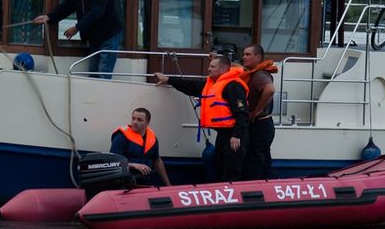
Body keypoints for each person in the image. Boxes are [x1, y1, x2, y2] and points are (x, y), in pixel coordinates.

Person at [154, 54, 249, 182]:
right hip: (223, 135)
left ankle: (233, 192)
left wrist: (237, 135)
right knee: (220, 168)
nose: (208, 69)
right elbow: (190, 86)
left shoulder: (234, 86)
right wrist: (168, 80)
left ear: (223, 69)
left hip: (235, 135)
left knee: (232, 171)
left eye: (212, 66)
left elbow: (242, 113)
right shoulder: (212, 85)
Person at [33, 0, 123, 78]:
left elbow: (97, 11)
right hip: (94, 37)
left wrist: (77, 27)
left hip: (108, 36)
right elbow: (70, 4)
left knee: (103, 75)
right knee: (93, 74)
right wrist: (49, 17)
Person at [241, 43, 278, 180]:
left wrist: (257, 110)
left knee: (255, 162)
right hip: (263, 125)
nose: (244, 57)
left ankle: (253, 188)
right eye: (244, 54)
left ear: (258, 57)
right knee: (264, 160)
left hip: (260, 125)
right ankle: (269, 185)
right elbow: (237, 66)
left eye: (248, 54)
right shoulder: (252, 73)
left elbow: (270, 90)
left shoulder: (259, 75)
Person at [110, 108, 170, 186]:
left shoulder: (152, 138)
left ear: (147, 123)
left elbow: (157, 161)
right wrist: (133, 165)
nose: (135, 122)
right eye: (133, 118)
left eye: (139, 120)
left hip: (145, 182)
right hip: (125, 183)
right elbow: (113, 162)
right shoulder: (121, 137)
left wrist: (168, 185)